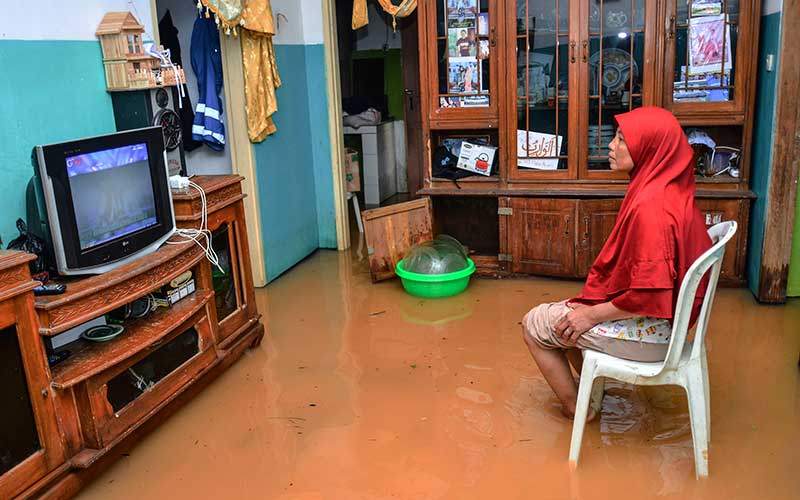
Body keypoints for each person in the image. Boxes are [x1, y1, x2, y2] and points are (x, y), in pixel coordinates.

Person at [521, 106, 712, 421]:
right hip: (668, 325)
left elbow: (650, 295)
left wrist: (590, 316)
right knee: (568, 314)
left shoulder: (652, 207)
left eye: (622, 140)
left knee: (535, 324)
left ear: (649, 148)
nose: (611, 145)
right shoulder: (669, 189)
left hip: (657, 336)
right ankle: (593, 392)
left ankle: (578, 411)